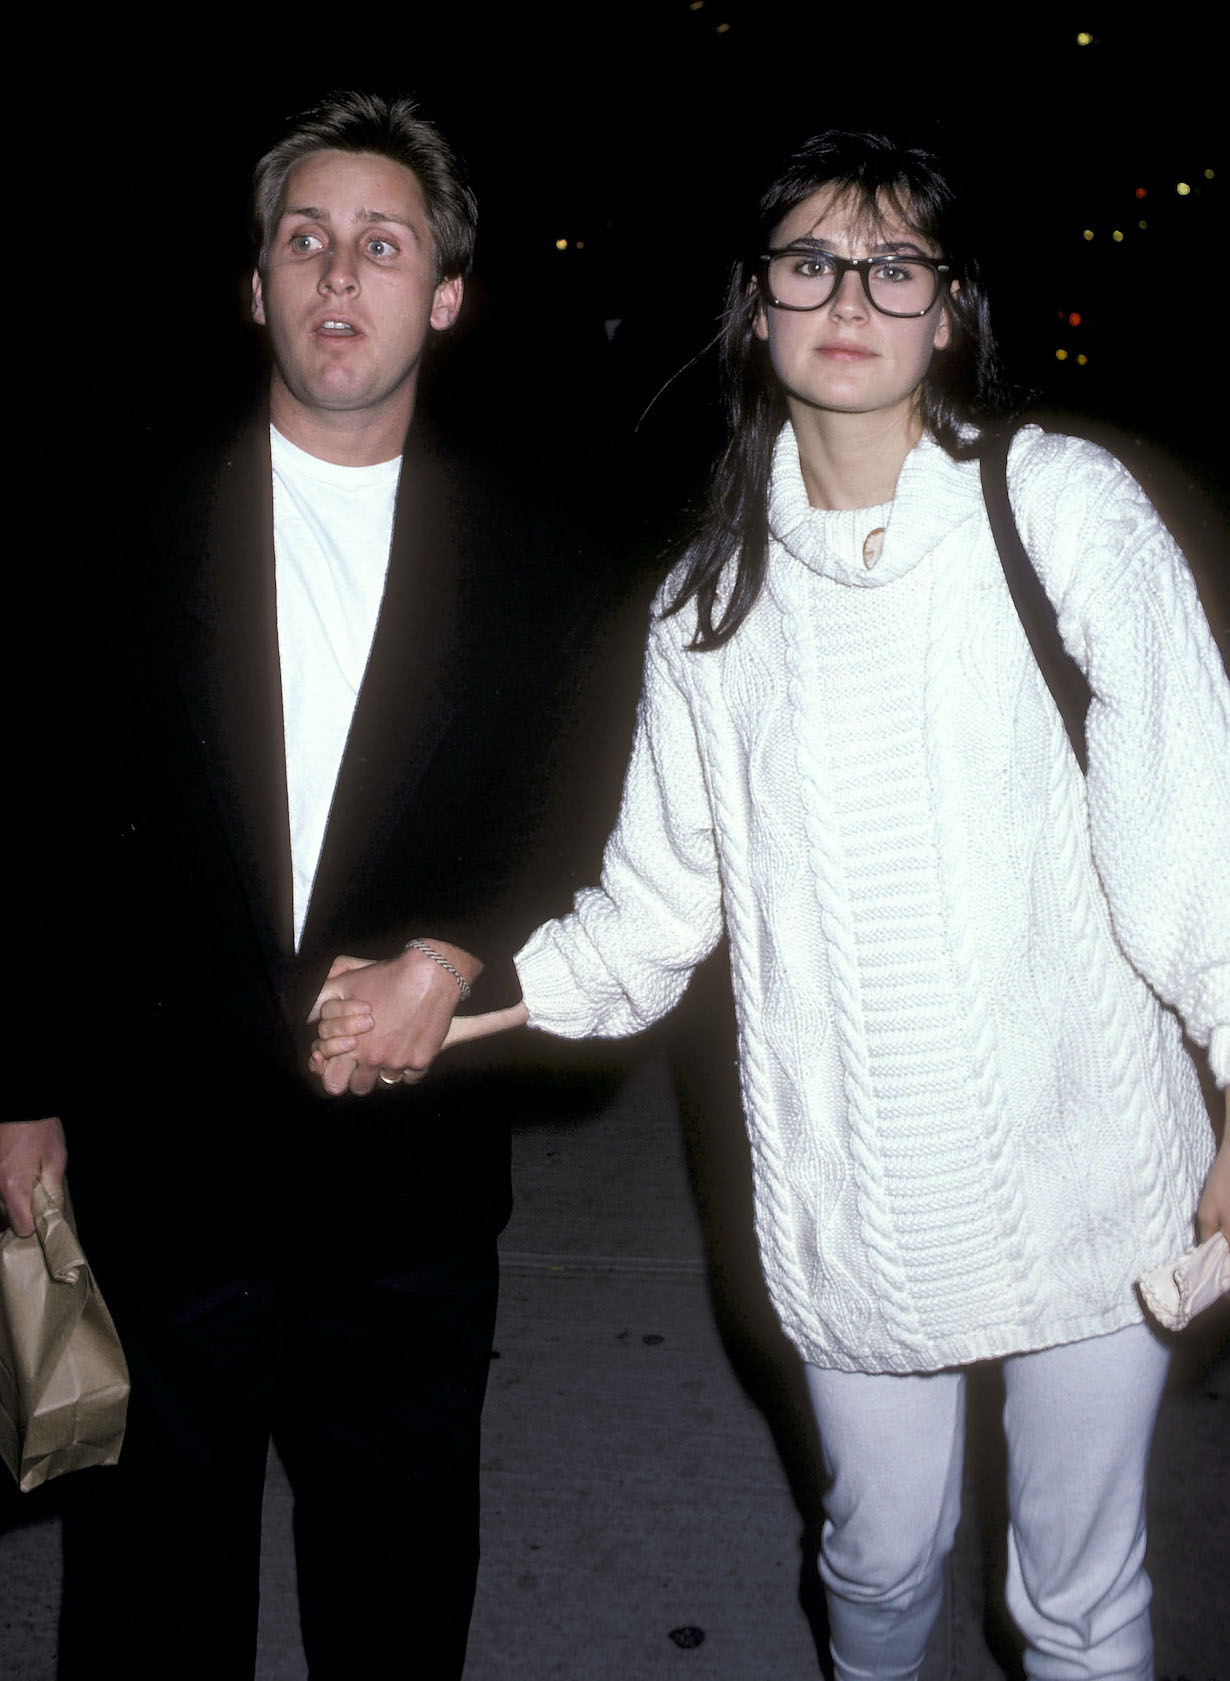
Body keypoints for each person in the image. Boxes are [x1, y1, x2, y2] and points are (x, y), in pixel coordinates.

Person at [310, 131, 1230, 1680]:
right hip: (851, 1198)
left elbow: (1188, 839)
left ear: (947, 311)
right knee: (875, 1564)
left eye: (894, 265)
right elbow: (652, 910)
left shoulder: (1060, 507)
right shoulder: (707, 605)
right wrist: (444, 989)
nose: (849, 296)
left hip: (1096, 1172)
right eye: (808, 262)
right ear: (755, 308)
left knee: (1078, 1602)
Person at [0, 90, 597, 1680]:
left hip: (407, 1190)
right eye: (306, 239)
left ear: (447, 294)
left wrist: (461, 950)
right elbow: (33, 816)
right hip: (159, 1163)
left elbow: (585, 817)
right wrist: (20, 1091)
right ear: (254, 283)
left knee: (394, 1589)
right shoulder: (108, 522)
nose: (341, 276)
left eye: (383, 246)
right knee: (143, 1597)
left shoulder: (538, 556)